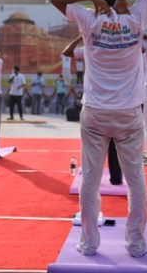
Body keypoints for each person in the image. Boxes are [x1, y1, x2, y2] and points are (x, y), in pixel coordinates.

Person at [49, 0, 147, 258]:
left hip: (96, 113)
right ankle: (135, 244)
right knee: (136, 181)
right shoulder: (136, 16)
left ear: (101, 1)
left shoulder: (90, 20)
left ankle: (89, 244)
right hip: (129, 114)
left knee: (90, 179)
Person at [62, 35, 123, 186]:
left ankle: (92, 182)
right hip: (117, 103)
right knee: (115, 145)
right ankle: (116, 178)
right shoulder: (122, 48)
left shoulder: (90, 48)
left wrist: (80, 37)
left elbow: (67, 52)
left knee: (93, 148)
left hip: (96, 104)